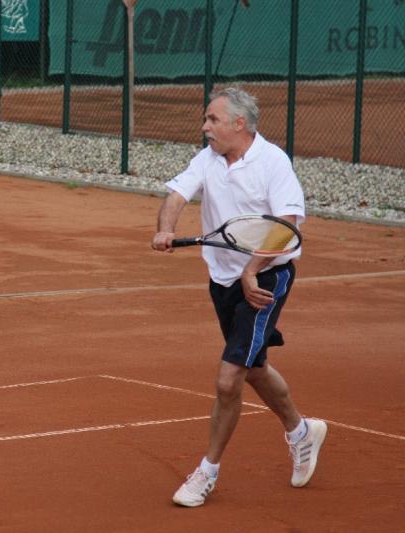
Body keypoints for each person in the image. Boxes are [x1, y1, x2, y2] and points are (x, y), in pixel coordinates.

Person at [151, 87, 327, 507]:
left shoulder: (273, 162)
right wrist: (165, 228)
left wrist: (251, 271)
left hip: (266, 277)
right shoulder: (208, 158)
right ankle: (302, 431)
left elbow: (286, 225)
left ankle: (206, 472)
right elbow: (177, 195)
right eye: (206, 119)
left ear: (239, 124)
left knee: (228, 377)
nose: (205, 127)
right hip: (223, 279)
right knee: (253, 367)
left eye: (212, 119)